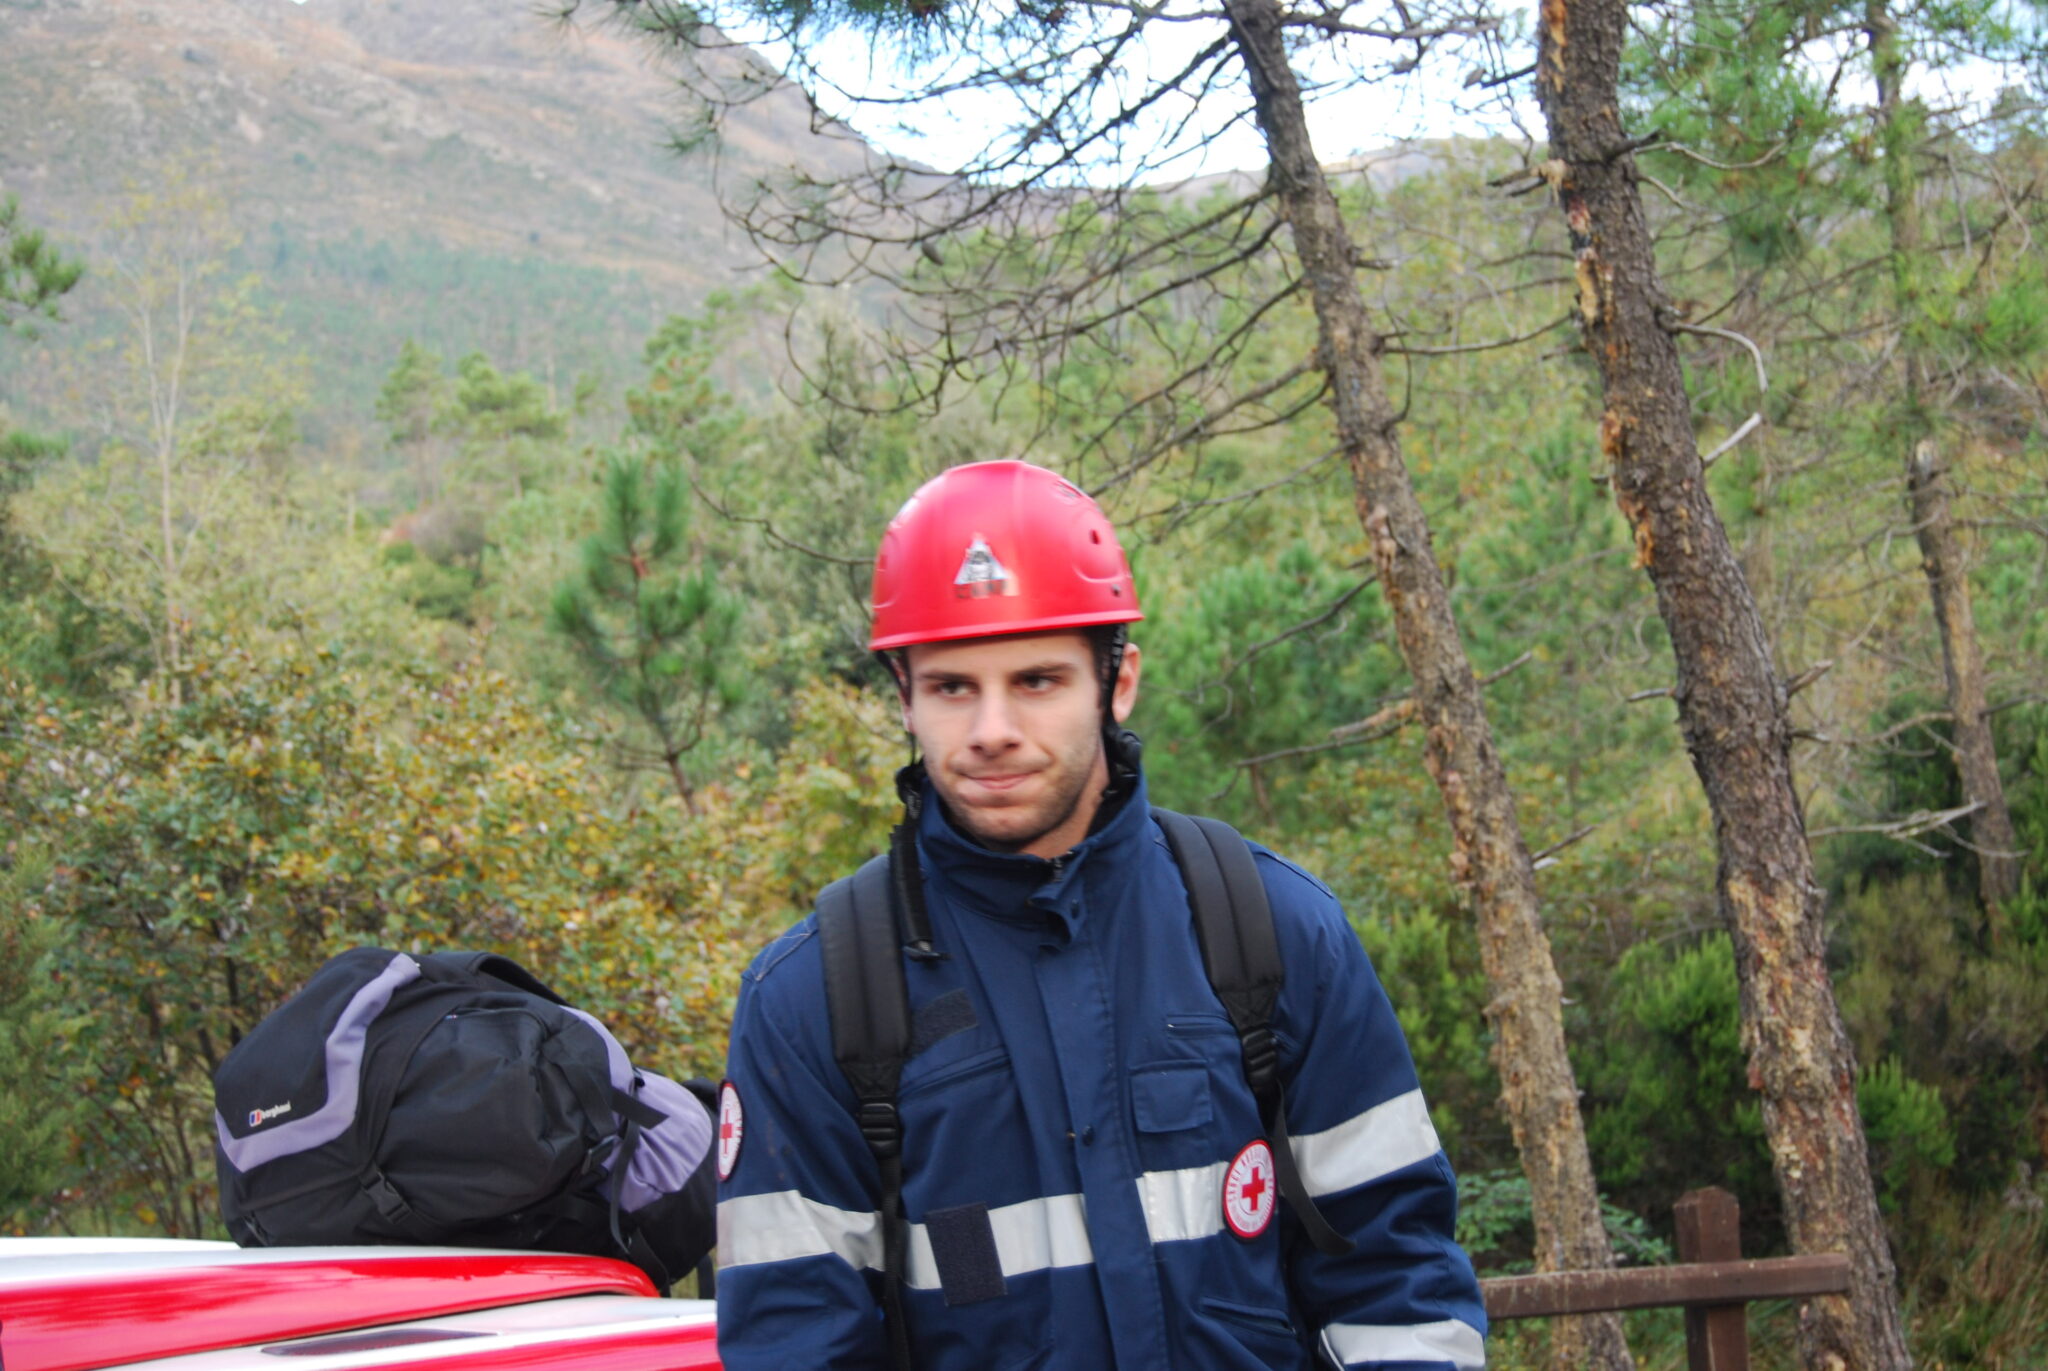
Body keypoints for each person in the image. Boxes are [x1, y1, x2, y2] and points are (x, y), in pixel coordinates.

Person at [713, 459, 1486, 1369]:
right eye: (953, 686)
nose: (991, 729)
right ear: (905, 698)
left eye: (1037, 679)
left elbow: (1396, 1277)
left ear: (1117, 682)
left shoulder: (1271, 931)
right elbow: (796, 1341)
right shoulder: (814, 998)